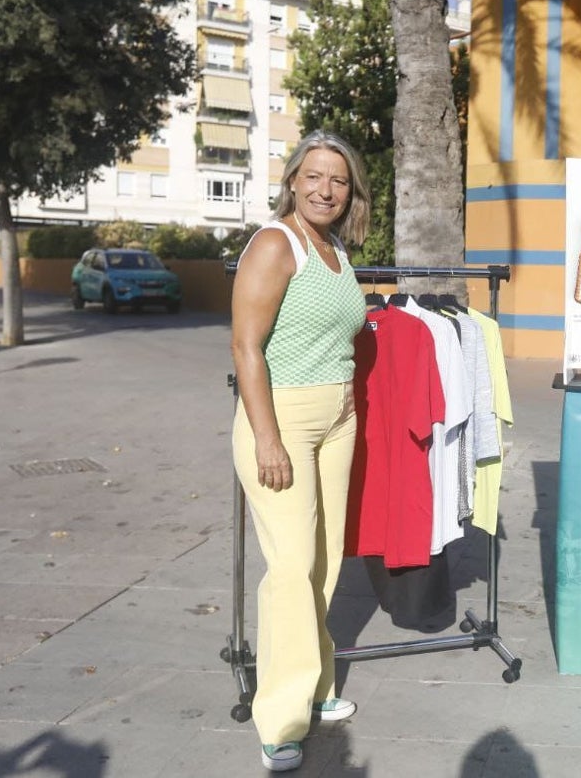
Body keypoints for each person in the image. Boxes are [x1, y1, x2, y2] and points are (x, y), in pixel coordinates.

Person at [231, 130, 371, 771]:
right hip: (281, 418)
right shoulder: (274, 243)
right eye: (314, 176)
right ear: (292, 181)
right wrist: (266, 437)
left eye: (338, 180)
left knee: (323, 560)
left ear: (351, 192)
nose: (325, 189)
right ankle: (281, 718)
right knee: (289, 568)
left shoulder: (336, 247)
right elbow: (246, 348)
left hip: (337, 417)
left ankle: (316, 685)